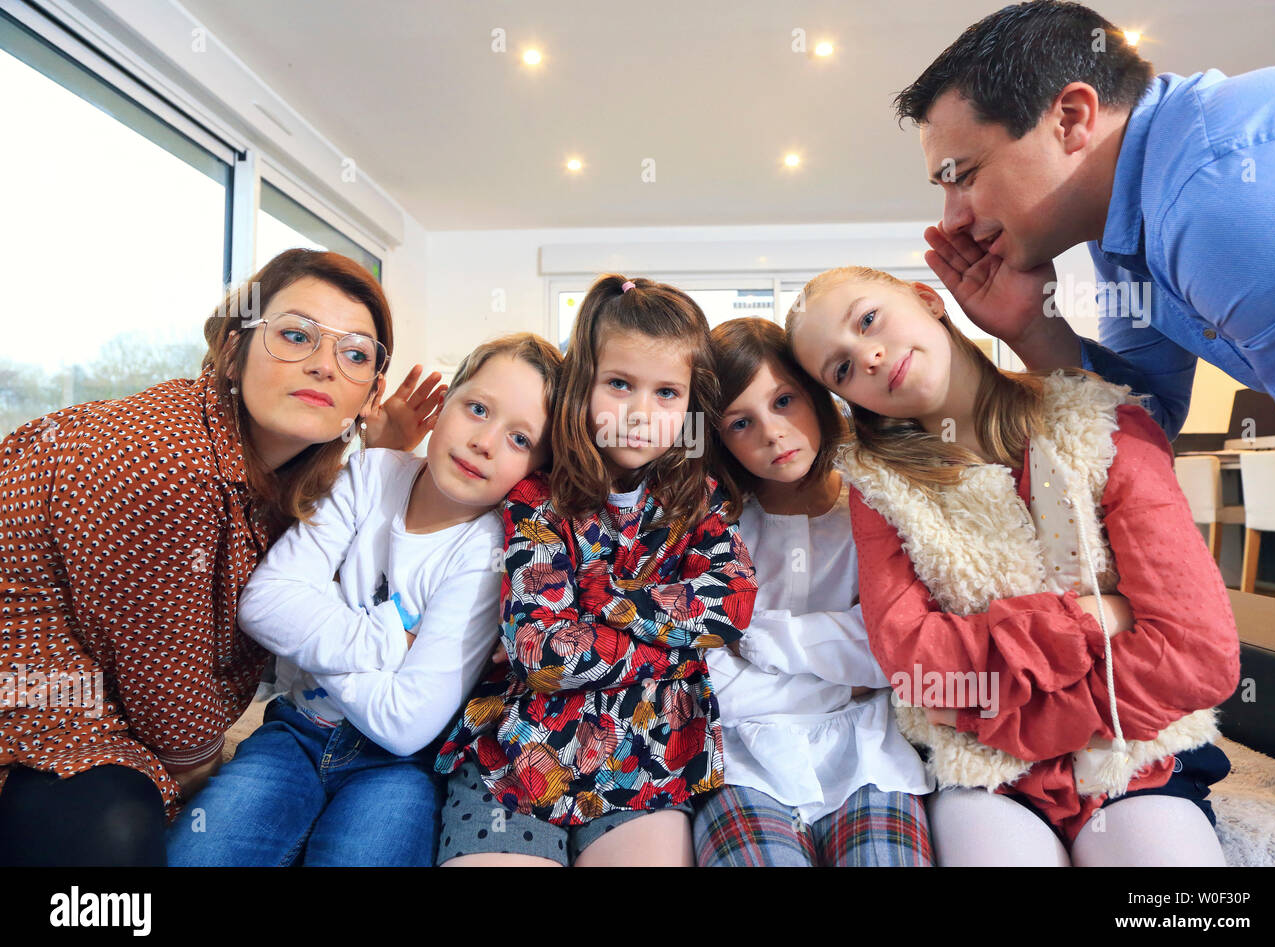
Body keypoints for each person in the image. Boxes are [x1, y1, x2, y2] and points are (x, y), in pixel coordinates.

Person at [0, 248, 443, 865]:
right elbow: (173, 722)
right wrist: (200, 767)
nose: (323, 366)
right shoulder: (161, 460)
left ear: (369, 391)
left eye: (355, 354)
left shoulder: (285, 469)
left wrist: (381, 456)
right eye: (295, 335)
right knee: (118, 835)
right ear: (232, 350)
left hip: (116, 685)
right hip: (41, 685)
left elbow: (318, 570)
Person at [787, 265, 1240, 865]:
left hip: (1137, 745)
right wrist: (1090, 619)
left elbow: (1197, 654)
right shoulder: (877, 485)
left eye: (869, 319)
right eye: (840, 368)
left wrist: (1003, 694)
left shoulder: (1104, 421)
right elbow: (918, 667)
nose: (868, 356)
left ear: (928, 300)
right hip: (983, 769)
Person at [165, 333, 560, 866]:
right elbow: (262, 604)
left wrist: (313, 623)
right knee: (197, 855)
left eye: (519, 439)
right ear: (444, 403)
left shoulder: (490, 548)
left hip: (401, 767)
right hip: (295, 732)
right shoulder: (372, 472)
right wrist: (392, 642)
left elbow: (405, 726)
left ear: (536, 469)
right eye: (477, 408)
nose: (485, 441)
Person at [434, 274, 757, 866]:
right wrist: (675, 647)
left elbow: (731, 608)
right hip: (520, 756)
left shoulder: (699, 500)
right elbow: (543, 654)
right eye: (618, 384)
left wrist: (604, 599)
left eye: (666, 393)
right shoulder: (538, 498)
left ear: (690, 406)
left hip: (652, 762)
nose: (639, 412)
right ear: (583, 383)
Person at [895, 0, 1275, 440]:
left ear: (1071, 119)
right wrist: (1034, 329)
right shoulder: (1117, 233)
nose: (951, 221)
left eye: (964, 175)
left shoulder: (1211, 192)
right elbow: (1146, 426)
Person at [693, 317, 934, 867]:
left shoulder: (873, 504)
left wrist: (755, 639)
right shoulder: (717, 527)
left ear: (820, 395)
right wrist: (838, 675)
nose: (772, 432)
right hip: (744, 761)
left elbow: (890, 651)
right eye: (739, 423)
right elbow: (712, 683)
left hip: (871, 754)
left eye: (784, 401)